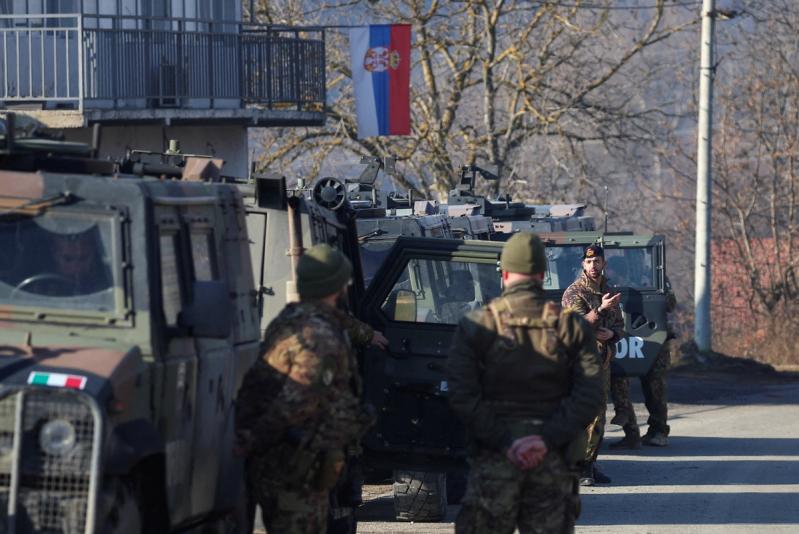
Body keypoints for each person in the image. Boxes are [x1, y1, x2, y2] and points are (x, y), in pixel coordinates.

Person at [447, 232, 603, 533]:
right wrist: (543, 440)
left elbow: (461, 395)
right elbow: (590, 396)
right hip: (552, 463)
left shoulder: (475, 325)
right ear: (543, 275)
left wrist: (507, 442)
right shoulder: (571, 327)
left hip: (494, 461)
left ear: (504, 273)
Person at [234, 244, 377, 533]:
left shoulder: (288, 321)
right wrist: (251, 440)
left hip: (284, 462)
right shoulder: (319, 336)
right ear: (338, 286)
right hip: (297, 467)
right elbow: (296, 401)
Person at [561, 244, 627, 486]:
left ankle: (590, 463)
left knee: (599, 415)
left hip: (603, 361)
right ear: (583, 265)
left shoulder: (609, 291)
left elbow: (620, 326)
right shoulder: (574, 293)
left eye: (597, 261)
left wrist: (613, 334)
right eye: (589, 262)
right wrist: (600, 310)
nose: (593, 266)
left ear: (603, 264)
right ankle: (577, 467)